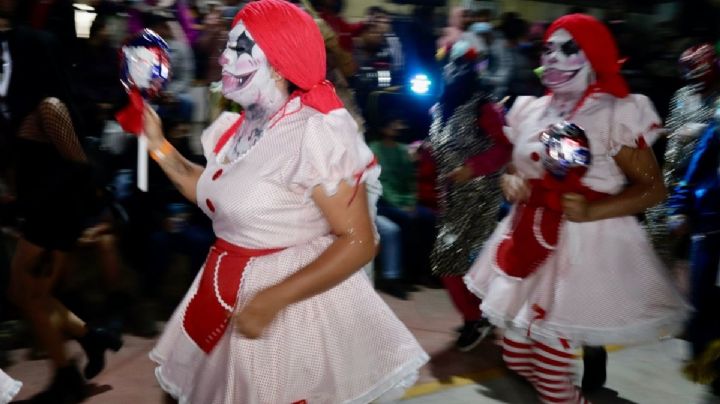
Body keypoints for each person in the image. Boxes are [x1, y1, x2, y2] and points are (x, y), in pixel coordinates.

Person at [145, 1, 429, 402]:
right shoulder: (237, 127)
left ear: (279, 63)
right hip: (224, 293)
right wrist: (157, 146)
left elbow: (359, 241)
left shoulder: (315, 134)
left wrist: (271, 300)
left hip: (288, 316)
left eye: (240, 48)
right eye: (228, 44)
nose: (224, 56)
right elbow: (210, 191)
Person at [464, 14, 689, 403]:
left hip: (584, 252)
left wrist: (590, 211)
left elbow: (652, 189)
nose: (553, 58)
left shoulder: (614, 112)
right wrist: (512, 180)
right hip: (527, 238)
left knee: (552, 374)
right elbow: (518, 165)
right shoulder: (532, 110)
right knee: (516, 356)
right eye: (548, 49)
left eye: (568, 49)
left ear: (594, 55)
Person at [0, 1, 122, 401]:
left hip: (54, 215)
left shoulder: (50, 108)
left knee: (30, 297)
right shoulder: (24, 110)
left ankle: (66, 375)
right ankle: (92, 337)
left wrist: (54, 247)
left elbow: (78, 168)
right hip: (40, 212)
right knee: (23, 295)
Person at [428, 39, 511, 352]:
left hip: (480, 195)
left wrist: (474, 167)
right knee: (458, 260)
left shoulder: (484, 107)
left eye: (459, 64)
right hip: (450, 195)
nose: (452, 70)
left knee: (449, 258)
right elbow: (441, 147)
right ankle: (480, 314)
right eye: (448, 62)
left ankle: (475, 317)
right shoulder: (439, 106)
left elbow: (506, 146)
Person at [645, 43, 720, 265]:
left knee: (698, 245)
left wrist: (702, 130)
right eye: (687, 72)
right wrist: (658, 132)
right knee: (657, 231)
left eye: (696, 72)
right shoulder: (682, 95)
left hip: (704, 181)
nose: (691, 78)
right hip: (672, 171)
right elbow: (673, 129)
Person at [668, 121, 720, 399]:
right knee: (702, 304)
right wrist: (679, 208)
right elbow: (692, 173)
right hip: (711, 231)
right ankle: (710, 363)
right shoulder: (717, 130)